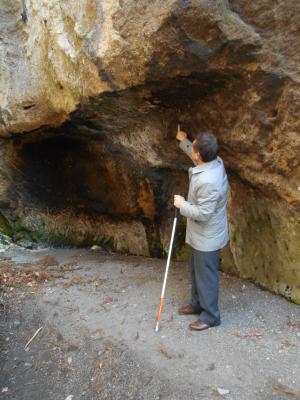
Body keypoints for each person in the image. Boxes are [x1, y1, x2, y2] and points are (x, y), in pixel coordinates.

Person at [174, 125, 229, 331]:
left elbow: (204, 213)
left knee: (206, 275)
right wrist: (183, 141)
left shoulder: (209, 181)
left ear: (198, 155)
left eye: (193, 147)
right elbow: (198, 156)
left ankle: (211, 316)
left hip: (207, 235)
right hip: (201, 234)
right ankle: (197, 304)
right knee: (196, 269)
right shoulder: (215, 161)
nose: (193, 151)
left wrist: (182, 205)